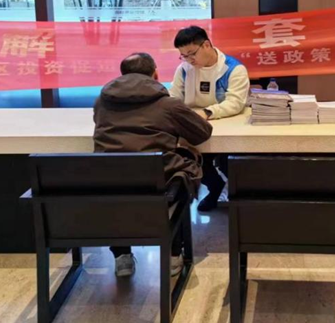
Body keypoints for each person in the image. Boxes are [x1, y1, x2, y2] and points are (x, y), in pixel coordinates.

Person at [93, 52, 213, 278]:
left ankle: (122, 257)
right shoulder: (168, 105)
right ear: (155, 74)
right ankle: (174, 254)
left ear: (123, 75)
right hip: (158, 185)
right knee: (181, 175)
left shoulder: (102, 102)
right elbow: (202, 133)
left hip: (109, 184)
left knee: (118, 190)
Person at [169, 26, 250, 212]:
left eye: (192, 54)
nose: (189, 60)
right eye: (183, 56)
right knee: (186, 158)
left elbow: (235, 103)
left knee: (230, 162)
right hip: (193, 125)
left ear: (206, 45)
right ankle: (215, 188)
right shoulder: (184, 69)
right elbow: (174, 97)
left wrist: (207, 112)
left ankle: (240, 200)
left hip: (226, 125)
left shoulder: (233, 69)